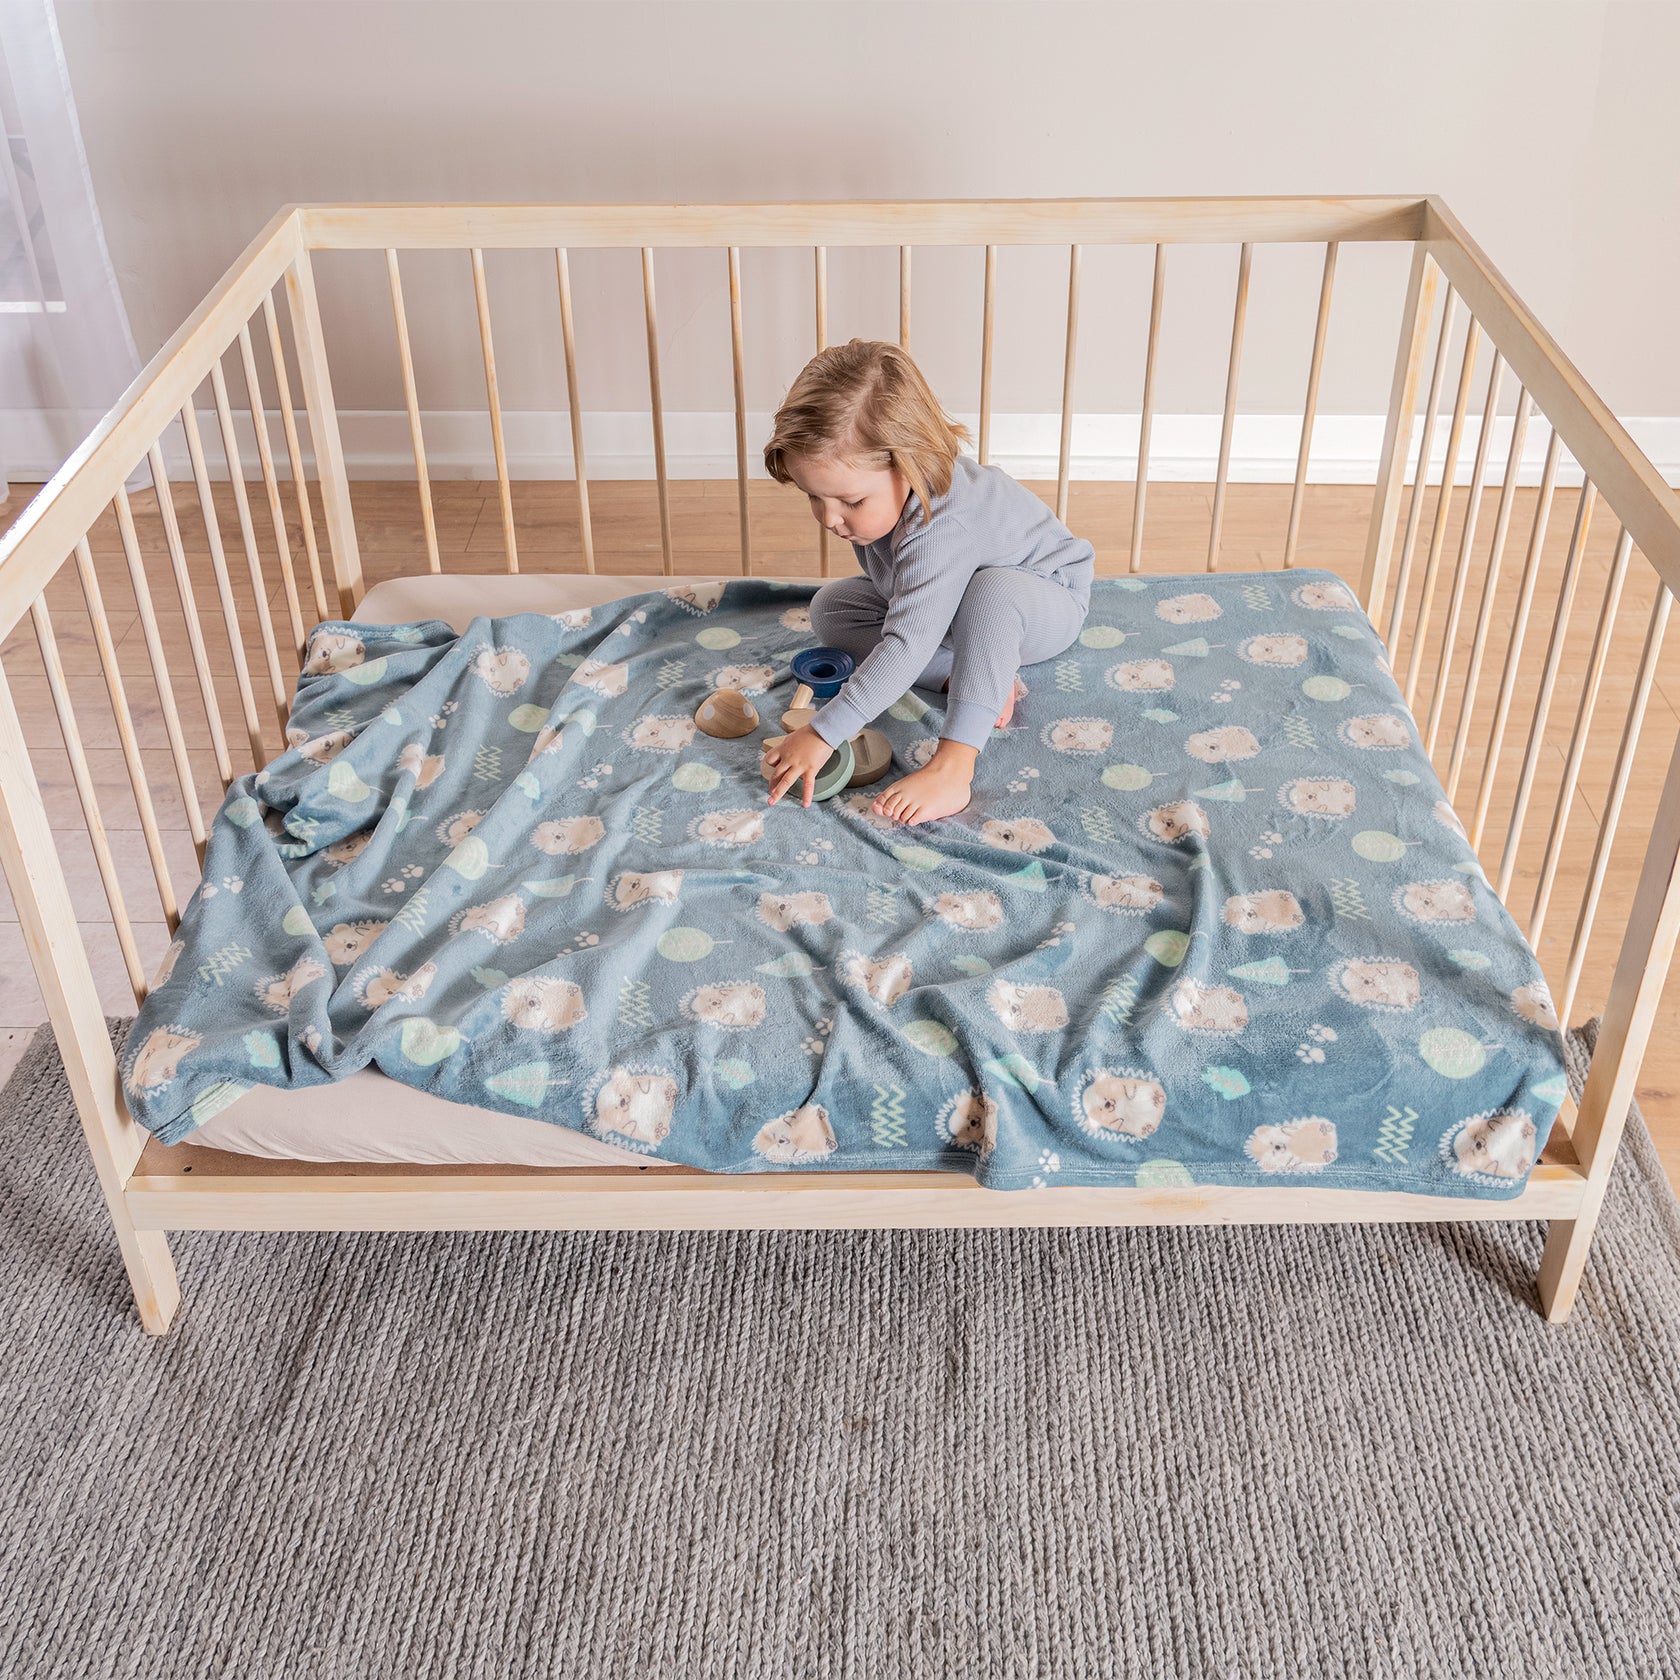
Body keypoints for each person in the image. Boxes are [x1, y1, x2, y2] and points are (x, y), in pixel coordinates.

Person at [761, 339, 1094, 824]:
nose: (829, 518)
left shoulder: (943, 526)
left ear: (910, 466)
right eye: (814, 497)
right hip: (958, 604)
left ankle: (953, 768)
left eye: (851, 502)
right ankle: (974, 673)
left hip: (1045, 601)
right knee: (831, 608)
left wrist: (822, 732)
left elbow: (906, 642)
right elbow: (907, 608)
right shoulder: (883, 502)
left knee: (990, 594)